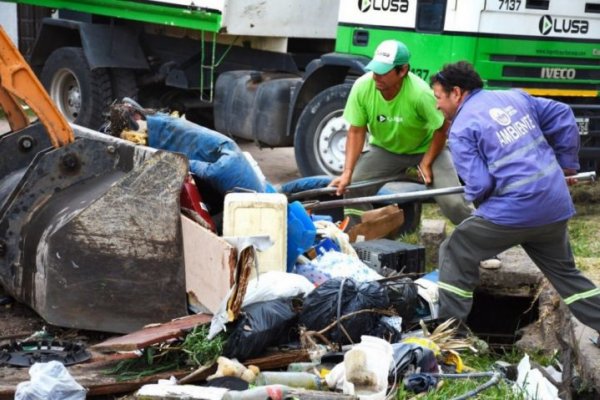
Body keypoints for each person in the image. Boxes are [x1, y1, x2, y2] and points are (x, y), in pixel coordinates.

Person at [431, 61, 600, 337]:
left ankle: (451, 337)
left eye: (438, 97)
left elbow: (480, 184)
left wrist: (487, 209)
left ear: (457, 92)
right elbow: (563, 114)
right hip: (554, 205)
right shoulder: (514, 97)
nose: (438, 105)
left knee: (455, 249)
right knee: (566, 276)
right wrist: (567, 165)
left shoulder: (461, 128)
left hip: (514, 210)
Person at [329, 39, 473, 228]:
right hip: (385, 149)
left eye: (383, 71)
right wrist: (347, 172)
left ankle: (485, 245)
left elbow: (442, 127)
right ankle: (364, 241)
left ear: (403, 70)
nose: (376, 76)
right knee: (352, 188)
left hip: (426, 147)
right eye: (374, 70)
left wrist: (427, 162)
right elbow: (356, 131)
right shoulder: (362, 87)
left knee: (453, 202)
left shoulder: (420, 93)